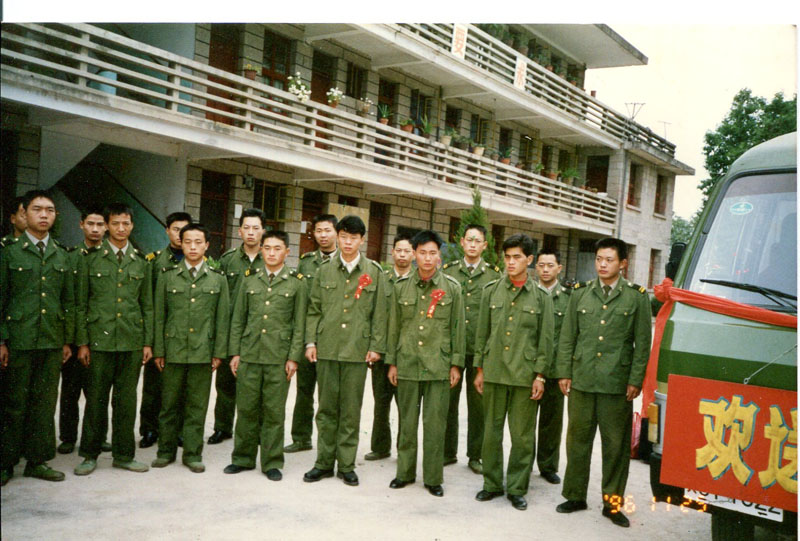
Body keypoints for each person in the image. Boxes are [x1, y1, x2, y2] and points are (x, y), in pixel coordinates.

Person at [554, 238, 652, 528]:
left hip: (616, 384)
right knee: (577, 442)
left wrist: (635, 379)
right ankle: (575, 495)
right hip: (583, 380)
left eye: (609, 259)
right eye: (599, 259)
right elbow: (568, 336)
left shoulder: (635, 297)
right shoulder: (580, 293)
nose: (602, 264)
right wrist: (564, 372)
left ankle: (612, 504)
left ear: (623, 263)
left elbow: (642, 344)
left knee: (616, 447)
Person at [302, 215, 387, 487]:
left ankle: (347, 465)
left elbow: (380, 314)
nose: (348, 242)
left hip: (357, 350)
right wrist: (310, 342)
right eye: (344, 237)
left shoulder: (374, 272)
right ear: (338, 238)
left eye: (353, 238)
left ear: (362, 240)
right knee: (326, 409)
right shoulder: (324, 270)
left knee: (350, 410)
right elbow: (314, 309)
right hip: (327, 348)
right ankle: (323, 463)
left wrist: (376, 346)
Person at [473, 234, 554, 511]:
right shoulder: (491, 291)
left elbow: (546, 340)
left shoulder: (541, 297)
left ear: (529, 260)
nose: (510, 262)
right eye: (507, 257)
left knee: (522, 437)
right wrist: (480, 369)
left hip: (524, 375)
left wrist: (540, 375)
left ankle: (518, 488)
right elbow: (482, 334)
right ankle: (492, 483)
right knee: (491, 433)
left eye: (517, 257)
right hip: (494, 372)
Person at [74, 202, 153, 476]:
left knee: (126, 402)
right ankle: (89, 454)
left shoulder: (141, 262)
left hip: (131, 341)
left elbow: (147, 306)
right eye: (116, 223)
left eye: (126, 223)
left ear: (132, 226)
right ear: (107, 225)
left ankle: (124, 455)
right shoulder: (90, 259)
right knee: (95, 400)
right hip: (99, 341)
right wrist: (82, 343)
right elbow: (81, 304)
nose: (121, 228)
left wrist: (147, 342)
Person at [0, 190, 73, 486]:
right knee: (13, 403)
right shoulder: (9, 252)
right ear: (24, 213)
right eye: (37, 209)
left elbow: (67, 301)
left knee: (44, 404)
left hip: (51, 340)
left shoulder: (61, 254)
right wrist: (1, 341)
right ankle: (5, 463)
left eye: (50, 210)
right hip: (18, 339)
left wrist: (66, 340)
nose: (44, 215)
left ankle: (37, 461)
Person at [386, 230, 465, 497]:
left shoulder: (452, 288)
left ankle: (433, 478)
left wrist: (456, 364)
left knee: (435, 426)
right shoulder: (401, 287)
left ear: (440, 256)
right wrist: (392, 362)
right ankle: (404, 473)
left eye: (432, 253)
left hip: (438, 366)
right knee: (407, 423)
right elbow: (394, 328)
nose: (427, 258)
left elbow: (457, 329)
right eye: (422, 253)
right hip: (407, 362)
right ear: (414, 254)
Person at [224, 230, 307, 481]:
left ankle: (271, 462)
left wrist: (293, 358)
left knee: (273, 412)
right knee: (246, 409)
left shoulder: (297, 282)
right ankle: (242, 458)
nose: (271, 253)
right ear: (261, 250)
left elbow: (299, 324)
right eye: (267, 248)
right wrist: (235, 353)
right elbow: (238, 319)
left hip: (278, 358)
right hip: (250, 354)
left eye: (277, 248)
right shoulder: (250, 279)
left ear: (287, 252)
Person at [151, 223, 229, 473]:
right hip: (173, 350)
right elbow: (159, 316)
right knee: (169, 405)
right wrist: (159, 350)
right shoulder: (167, 276)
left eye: (198, 242)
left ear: (207, 246)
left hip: (203, 352)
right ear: (180, 244)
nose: (193, 247)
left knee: (197, 407)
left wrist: (218, 353)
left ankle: (193, 454)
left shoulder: (218, 278)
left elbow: (222, 319)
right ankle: (165, 451)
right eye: (187, 242)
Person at [442, 224, 501, 474]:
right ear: (462, 242)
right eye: (470, 240)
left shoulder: (494, 276)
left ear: (485, 246)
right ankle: (447, 451)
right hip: (453, 349)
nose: (473, 244)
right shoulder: (448, 272)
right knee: (447, 402)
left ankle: (476, 455)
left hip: (480, 351)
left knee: (479, 406)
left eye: (478, 241)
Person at [208, 208, 265, 445]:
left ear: (263, 231)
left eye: (256, 228)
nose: (251, 232)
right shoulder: (228, 260)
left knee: (256, 385)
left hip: (259, 331)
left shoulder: (270, 258)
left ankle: (256, 430)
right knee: (225, 383)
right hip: (230, 330)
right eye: (246, 228)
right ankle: (222, 427)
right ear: (239, 231)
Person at [58, 206, 111, 456]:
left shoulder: (110, 257)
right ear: (81, 225)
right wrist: (69, 340)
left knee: (98, 392)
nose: (95, 229)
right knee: (70, 390)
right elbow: (67, 300)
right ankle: (68, 437)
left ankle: (98, 437)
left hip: (99, 335)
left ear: (106, 227)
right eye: (91, 224)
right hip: (73, 335)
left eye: (100, 224)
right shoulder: (69, 257)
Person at [286, 213, 338, 454]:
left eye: (327, 230)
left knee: (330, 395)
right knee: (304, 390)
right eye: (318, 231)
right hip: (308, 335)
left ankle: (329, 443)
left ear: (336, 232)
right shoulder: (306, 262)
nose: (323, 235)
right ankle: (301, 438)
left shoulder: (343, 262)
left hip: (333, 338)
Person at [140, 211, 192, 449]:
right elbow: (148, 302)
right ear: (167, 231)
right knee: (153, 385)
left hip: (185, 334)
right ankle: (149, 429)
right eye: (175, 229)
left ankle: (178, 431)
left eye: (184, 230)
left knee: (181, 387)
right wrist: (149, 340)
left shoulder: (197, 260)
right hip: (160, 331)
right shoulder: (154, 261)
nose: (180, 235)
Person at [364, 233, 411, 462]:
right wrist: (373, 347)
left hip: (406, 353)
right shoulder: (381, 279)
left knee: (406, 406)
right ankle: (380, 446)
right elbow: (372, 314)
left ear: (413, 254)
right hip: (382, 352)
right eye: (398, 250)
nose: (402, 255)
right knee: (381, 403)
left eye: (406, 251)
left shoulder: (417, 281)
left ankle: (405, 450)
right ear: (392, 252)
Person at [532, 248, 570, 485]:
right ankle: (523, 463)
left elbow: (569, 337)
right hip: (529, 369)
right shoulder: (529, 294)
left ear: (559, 268)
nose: (545, 270)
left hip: (555, 370)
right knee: (525, 423)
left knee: (551, 422)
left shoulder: (568, 298)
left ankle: (547, 466)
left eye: (550, 265)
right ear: (535, 267)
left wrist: (566, 371)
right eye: (541, 265)